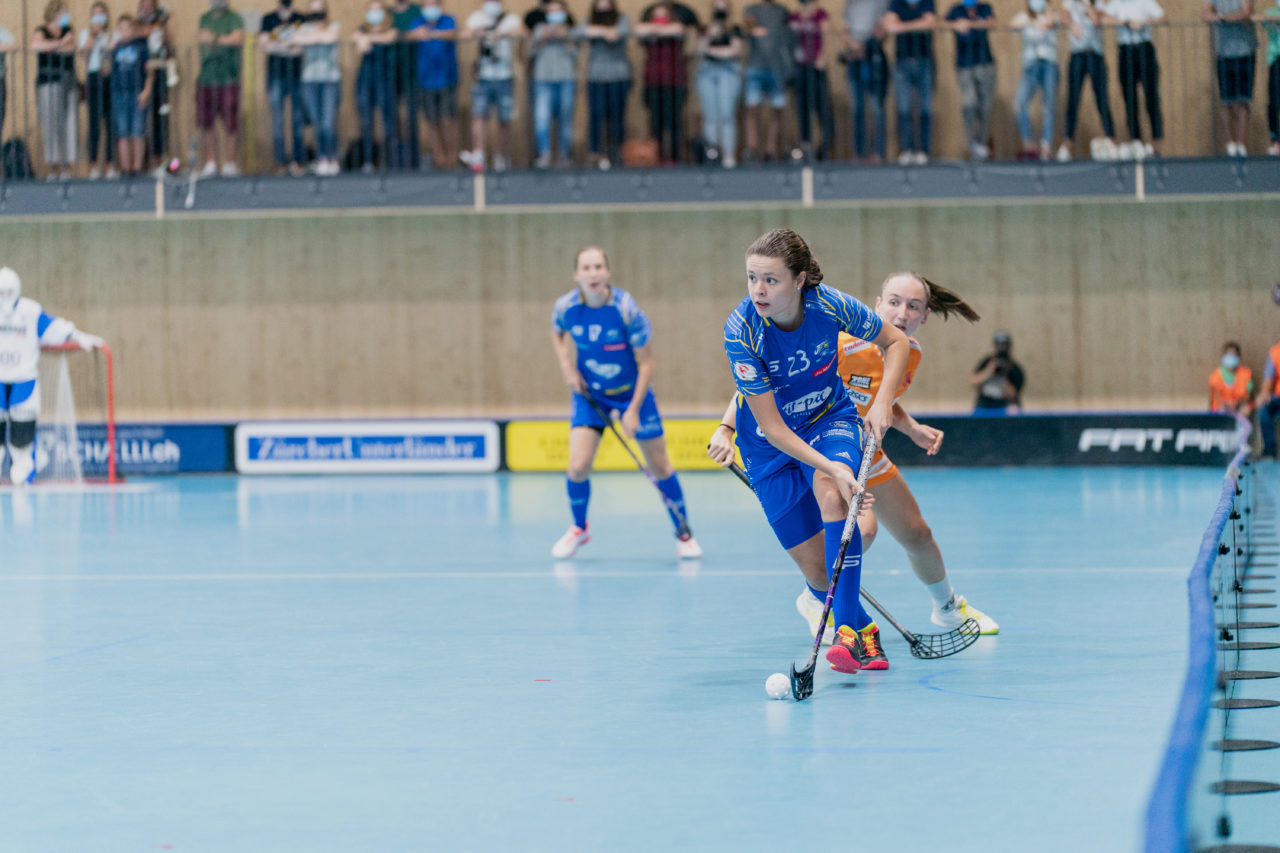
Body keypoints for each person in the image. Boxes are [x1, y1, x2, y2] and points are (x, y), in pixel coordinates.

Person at [709, 271, 999, 657]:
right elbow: (759, 381)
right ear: (877, 305)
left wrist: (911, 429)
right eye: (894, 302)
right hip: (821, 446)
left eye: (913, 306)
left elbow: (884, 400)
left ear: (925, 315)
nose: (902, 313)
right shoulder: (843, 342)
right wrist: (726, 428)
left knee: (917, 534)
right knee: (860, 527)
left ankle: (947, 609)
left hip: (865, 450)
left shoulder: (908, 353)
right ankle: (822, 598)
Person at [721, 228, 911, 674]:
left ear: (800, 279)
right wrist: (833, 467)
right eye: (752, 278)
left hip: (829, 418)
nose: (758, 290)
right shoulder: (743, 330)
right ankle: (864, 630)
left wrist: (883, 401)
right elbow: (771, 426)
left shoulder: (830, 305)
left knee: (831, 491)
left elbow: (895, 341)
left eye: (770, 280)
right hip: (768, 446)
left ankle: (844, 631)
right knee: (821, 575)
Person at [550, 247, 703, 560]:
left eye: (598, 267)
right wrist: (567, 368)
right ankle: (579, 528)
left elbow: (647, 362)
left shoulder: (625, 309)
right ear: (576, 275)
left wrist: (631, 410)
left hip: (634, 393)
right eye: (586, 268)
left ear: (607, 272)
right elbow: (557, 334)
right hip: (591, 395)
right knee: (577, 466)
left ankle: (684, 533)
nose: (592, 273)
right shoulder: (566, 307)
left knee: (659, 465)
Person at [0, 267, 103, 486]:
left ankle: (24, 474)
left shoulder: (30, 311)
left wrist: (78, 336)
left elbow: (54, 328)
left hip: (23, 380)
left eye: (7, 292)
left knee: (22, 437)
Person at [462, 0, 523, 172]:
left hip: (505, 76)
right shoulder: (478, 18)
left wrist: (501, 33)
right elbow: (464, 33)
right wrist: (480, 32)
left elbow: (522, 31)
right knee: (479, 116)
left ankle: (501, 157)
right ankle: (479, 154)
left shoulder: (509, 19)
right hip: (483, 76)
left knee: (504, 119)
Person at [1103, 0, 1163, 158]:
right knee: (1130, 99)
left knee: (1151, 97)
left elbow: (1162, 17)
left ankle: (1156, 142)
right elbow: (1103, 17)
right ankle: (1136, 141)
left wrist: (1143, 22)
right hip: (1126, 51)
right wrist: (1125, 22)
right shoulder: (1117, 3)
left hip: (1144, 49)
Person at [1058, 0, 1117, 161]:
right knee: (1073, 100)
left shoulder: (1096, 2)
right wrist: (1072, 24)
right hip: (1077, 54)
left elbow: (1097, 19)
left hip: (1095, 54)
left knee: (1102, 99)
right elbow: (1062, 15)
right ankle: (1067, 143)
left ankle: (1111, 139)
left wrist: (1087, 5)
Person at [578, 0, 633, 170]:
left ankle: (617, 152)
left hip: (619, 76)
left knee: (617, 117)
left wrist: (598, 32)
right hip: (596, 77)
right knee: (596, 116)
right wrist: (604, 31)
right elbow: (578, 32)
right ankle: (595, 153)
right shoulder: (589, 20)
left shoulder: (622, 19)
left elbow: (621, 33)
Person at [635, 1, 690, 165]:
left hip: (674, 82)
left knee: (674, 122)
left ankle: (674, 157)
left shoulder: (677, 27)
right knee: (655, 122)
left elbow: (679, 29)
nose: (660, 19)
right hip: (653, 82)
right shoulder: (646, 31)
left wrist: (658, 31)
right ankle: (657, 156)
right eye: (656, 16)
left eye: (663, 16)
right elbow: (639, 30)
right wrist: (660, 30)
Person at [408, 0, 460, 170]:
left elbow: (453, 33)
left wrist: (433, 33)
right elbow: (410, 35)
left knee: (448, 119)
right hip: (425, 80)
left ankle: (452, 157)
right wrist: (418, 33)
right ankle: (439, 158)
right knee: (432, 120)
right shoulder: (417, 22)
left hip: (447, 78)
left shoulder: (448, 20)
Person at [292, 0, 342, 176]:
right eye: (314, 14)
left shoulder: (334, 26)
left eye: (320, 13)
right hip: (309, 80)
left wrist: (311, 39)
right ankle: (322, 157)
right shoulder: (304, 29)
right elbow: (295, 39)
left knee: (328, 122)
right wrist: (314, 37)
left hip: (330, 80)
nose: (317, 18)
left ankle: (333, 157)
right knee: (316, 122)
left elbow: (331, 37)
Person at [883, 0, 936, 165]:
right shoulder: (897, 3)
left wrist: (903, 26)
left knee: (925, 108)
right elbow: (890, 26)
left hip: (924, 61)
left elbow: (929, 23)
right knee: (904, 108)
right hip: (902, 62)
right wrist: (916, 25)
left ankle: (924, 151)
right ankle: (907, 149)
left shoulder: (927, 2)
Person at [195, 0, 245, 177]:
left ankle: (230, 162)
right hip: (207, 78)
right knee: (206, 122)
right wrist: (222, 39)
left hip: (228, 78)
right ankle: (211, 161)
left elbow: (237, 39)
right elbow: (202, 38)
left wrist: (215, 38)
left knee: (230, 122)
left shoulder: (234, 18)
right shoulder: (205, 18)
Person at [259, 0, 309, 176]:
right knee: (278, 121)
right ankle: (280, 162)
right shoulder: (269, 19)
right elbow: (265, 44)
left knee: (297, 120)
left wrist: (278, 45)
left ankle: (298, 161)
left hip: (296, 76)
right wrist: (287, 46)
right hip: (276, 75)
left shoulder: (300, 18)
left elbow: (302, 46)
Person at [32, 0, 79, 181]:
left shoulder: (69, 31)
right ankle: (53, 167)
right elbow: (36, 45)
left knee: (68, 124)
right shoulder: (41, 30)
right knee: (50, 123)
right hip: (47, 83)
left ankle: (67, 168)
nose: (66, 15)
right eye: (64, 12)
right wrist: (59, 44)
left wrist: (52, 46)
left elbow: (71, 48)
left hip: (67, 82)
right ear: (54, 13)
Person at [1203, 0, 1257, 157]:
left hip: (1245, 51)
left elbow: (1246, 12)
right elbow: (1205, 15)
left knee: (1243, 100)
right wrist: (1225, 17)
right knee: (1226, 100)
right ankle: (1230, 143)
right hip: (1223, 53)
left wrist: (1221, 18)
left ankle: (1242, 144)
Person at [945, 0, 997, 161]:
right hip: (965, 64)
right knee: (969, 103)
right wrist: (956, 25)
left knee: (985, 105)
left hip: (984, 63)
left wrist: (974, 24)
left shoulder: (985, 7)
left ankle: (982, 141)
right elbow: (941, 23)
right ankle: (972, 142)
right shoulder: (955, 10)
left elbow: (992, 22)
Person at [741, 0, 791, 163]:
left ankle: (770, 151)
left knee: (776, 110)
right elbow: (746, 28)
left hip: (777, 68)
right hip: (756, 67)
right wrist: (753, 29)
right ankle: (752, 149)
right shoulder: (751, 9)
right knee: (753, 109)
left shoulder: (783, 11)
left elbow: (788, 36)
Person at [530, 0, 578, 168]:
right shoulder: (539, 29)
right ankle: (545, 153)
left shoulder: (571, 31)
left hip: (566, 78)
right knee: (542, 118)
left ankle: (564, 154)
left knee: (565, 118)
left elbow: (577, 54)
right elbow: (530, 52)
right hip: (543, 79)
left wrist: (565, 38)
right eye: (552, 11)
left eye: (558, 11)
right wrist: (543, 38)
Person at [840, 0, 890, 163]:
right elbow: (844, 30)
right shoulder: (850, 4)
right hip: (855, 60)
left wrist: (866, 46)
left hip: (874, 58)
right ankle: (859, 152)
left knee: (877, 108)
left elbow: (883, 28)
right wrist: (854, 46)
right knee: (857, 108)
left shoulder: (881, 3)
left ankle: (878, 152)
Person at [695, 0, 744, 167]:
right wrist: (710, 35)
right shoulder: (706, 28)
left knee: (726, 115)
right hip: (707, 71)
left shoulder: (734, 29)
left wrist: (713, 51)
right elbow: (699, 49)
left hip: (728, 72)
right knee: (710, 116)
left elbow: (733, 51)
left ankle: (728, 155)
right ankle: (712, 154)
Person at [1011, 0, 1060, 161]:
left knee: (1048, 106)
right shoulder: (1024, 17)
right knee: (1020, 104)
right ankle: (1029, 145)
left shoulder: (1051, 15)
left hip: (1049, 63)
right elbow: (1013, 25)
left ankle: (1046, 146)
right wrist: (1033, 22)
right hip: (1030, 64)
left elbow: (1059, 20)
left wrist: (1048, 14)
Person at [353, 0, 398, 172]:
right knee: (366, 121)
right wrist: (364, 37)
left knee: (388, 121)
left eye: (377, 10)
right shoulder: (362, 28)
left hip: (385, 79)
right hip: (366, 79)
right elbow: (354, 38)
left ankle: (389, 160)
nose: (374, 13)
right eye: (371, 10)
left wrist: (369, 39)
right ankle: (369, 160)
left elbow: (389, 38)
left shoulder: (390, 27)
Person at [790, 0, 836, 161]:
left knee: (822, 108)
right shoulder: (794, 17)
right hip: (799, 69)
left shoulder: (820, 14)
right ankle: (805, 147)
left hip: (816, 69)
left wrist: (822, 57)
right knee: (802, 110)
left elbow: (826, 37)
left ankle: (824, 148)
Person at [111, 14, 153, 176]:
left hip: (137, 92)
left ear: (133, 30)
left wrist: (147, 90)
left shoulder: (141, 47)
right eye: (121, 28)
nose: (125, 31)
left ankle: (137, 167)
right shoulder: (115, 49)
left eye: (128, 28)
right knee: (122, 132)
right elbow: (107, 70)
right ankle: (126, 168)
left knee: (138, 131)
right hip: (120, 93)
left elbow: (149, 71)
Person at [80, 3, 117, 180]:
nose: (98, 19)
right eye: (95, 15)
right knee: (94, 124)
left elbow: (114, 52)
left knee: (110, 123)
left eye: (101, 15)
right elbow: (84, 54)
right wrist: (93, 35)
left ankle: (110, 164)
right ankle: (93, 165)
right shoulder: (86, 34)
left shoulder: (112, 34)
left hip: (109, 79)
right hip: (93, 78)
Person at [136, 0, 173, 175]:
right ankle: (140, 162)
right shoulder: (136, 27)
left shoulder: (161, 26)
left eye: (150, 6)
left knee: (160, 118)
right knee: (139, 119)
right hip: (138, 75)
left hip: (158, 74)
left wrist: (164, 24)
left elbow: (169, 47)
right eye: (144, 6)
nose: (147, 9)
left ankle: (159, 159)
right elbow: (136, 33)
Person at [971, 329, 1024, 413]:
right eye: (999, 345)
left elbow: (1013, 395)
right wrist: (988, 371)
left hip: (1004, 402)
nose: (1002, 348)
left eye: (1004, 345)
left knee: (1014, 410)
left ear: (1009, 347)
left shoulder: (1014, 368)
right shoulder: (987, 362)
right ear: (994, 346)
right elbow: (973, 382)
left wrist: (1003, 377)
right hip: (985, 402)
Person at [1210, 341, 1254, 415]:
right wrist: (1228, 404)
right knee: (1222, 410)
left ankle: (1240, 426)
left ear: (1239, 357)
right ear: (1224, 356)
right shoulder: (1215, 376)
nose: (1231, 357)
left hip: (1240, 404)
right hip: (1223, 405)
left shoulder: (1246, 373)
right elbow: (1217, 397)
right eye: (1229, 355)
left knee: (1246, 409)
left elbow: (1248, 395)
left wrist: (1236, 403)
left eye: (1234, 355)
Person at [1261, 0, 1280, 156]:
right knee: (1274, 101)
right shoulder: (1272, 14)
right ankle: (1275, 140)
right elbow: (1259, 18)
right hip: (1276, 60)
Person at [1258, 339, 1280, 456]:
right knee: (1263, 410)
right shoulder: (1275, 352)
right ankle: (1270, 450)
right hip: (1277, 398)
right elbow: (1268, 377)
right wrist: (1264, 393)